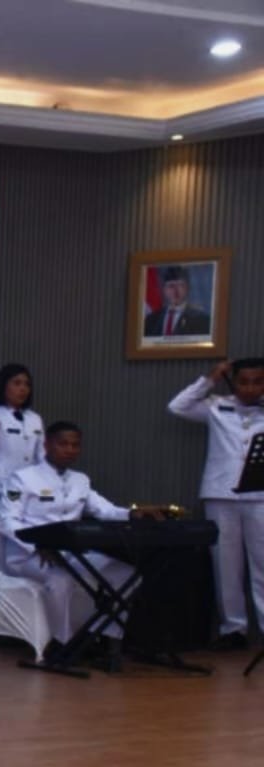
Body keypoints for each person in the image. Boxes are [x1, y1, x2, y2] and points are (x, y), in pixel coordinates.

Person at [0, 422, 142, 662]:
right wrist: (38, 544)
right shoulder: (23, 478)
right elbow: (6, 521)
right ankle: (63, 644)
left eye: (75, 445)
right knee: (61, 578)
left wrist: (133, 514)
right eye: (63, 444)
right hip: (29, 556)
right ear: (47, 445)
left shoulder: (80, 480)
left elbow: (104, 510)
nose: (70, 450)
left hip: (71, 554)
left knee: (127, 574)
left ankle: (105, 635)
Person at [168, 359, 264, 650]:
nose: (250, 388)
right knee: (225, 565)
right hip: (221, 494)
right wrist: (210, 379)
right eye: (243, 381)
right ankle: (233, 629)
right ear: (233, 382)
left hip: (260, 496)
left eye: (258, 382)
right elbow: (178, 406)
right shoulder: (217, 406)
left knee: (262, 564)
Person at [0, 363, 44, 632]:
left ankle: (21, 626)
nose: (22, 389)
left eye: (26, 384)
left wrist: (32, 494)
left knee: (23, 560)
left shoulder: (35, 420)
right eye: (16, 383)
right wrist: (13, 494)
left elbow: (40, 461)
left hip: (27, 502)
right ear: (3, 385)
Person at [142, 265, 212, 339]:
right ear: (164, 290)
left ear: (187, 288)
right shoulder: (151, 320)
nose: (176, 291)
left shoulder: (202, 320)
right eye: (171, 286)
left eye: (181, 285)